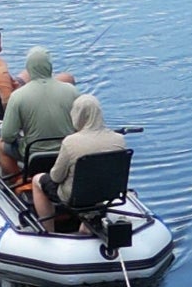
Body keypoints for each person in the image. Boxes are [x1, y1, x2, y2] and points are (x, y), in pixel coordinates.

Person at [32, 92, 129, 229]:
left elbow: (56, 177)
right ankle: (87, 226)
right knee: (96, 182)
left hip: (74, 196)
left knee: (37, 180)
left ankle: (48, 229)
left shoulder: (71, 142)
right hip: (106, 192)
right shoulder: (119, 139)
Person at [0, 46, 79, 178]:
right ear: (50, 66)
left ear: (28, 68)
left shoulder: (18, 96)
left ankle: (19, 182)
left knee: (1, 144)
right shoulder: (72, 91)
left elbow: (7, 135)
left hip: (34, 154)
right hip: (67, 152)